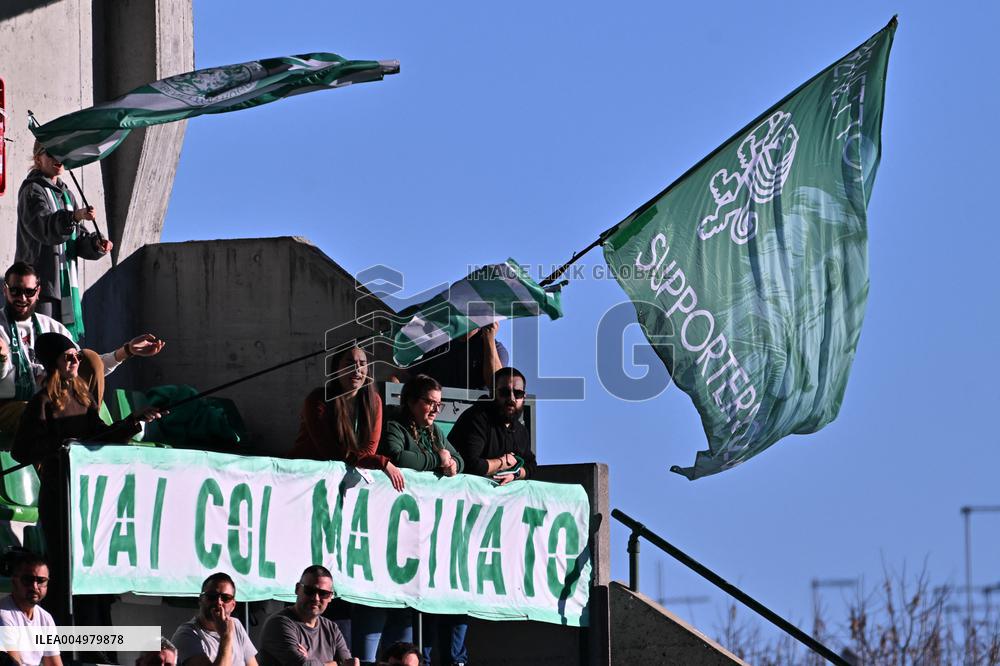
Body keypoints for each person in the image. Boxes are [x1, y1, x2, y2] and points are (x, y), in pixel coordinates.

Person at [12, 332, 163, 626]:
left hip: (87, 497)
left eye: (77, 357)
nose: (75, 361)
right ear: (53, 361)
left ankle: (96, 639)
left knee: (91, 568)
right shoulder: (41, 402)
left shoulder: (84, 396)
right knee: (64, 567)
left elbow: (101, 435)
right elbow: (21, 450)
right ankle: (63, 639)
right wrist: (61, 447)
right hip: (59, 496)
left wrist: (136, 420)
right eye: (69, 357)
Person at [0, 261, 166, 433]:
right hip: (11, 406)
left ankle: (90, 427)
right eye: (15, 291)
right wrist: (2, 359)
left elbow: (84, 366)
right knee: (42, 411)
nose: (22, 298)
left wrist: (127, 351)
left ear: (38, 291)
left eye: (29, 291)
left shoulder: (52, 326)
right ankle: (88, 431)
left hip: (53, 403)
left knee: (89, 357)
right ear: (5, 290)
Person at [378, 375, 465, 666]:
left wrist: (452, 463)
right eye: (430, 403)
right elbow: (397, 456)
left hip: (428, 532)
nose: (434, 410)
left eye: (439, 405)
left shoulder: (435, 432)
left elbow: (459, 460)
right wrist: (437, 462)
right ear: (411, 401)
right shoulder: (394, 425)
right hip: (398, 529)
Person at [16, 141, 112, 336]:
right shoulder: (32, 190)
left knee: (64, 350)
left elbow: (77, 239)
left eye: (62, 153)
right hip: (40, 286)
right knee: (43, 346)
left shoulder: (67, 195)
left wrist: (96, 244)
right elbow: (45, 227)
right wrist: (75, 216)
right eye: (51, 154)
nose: (58, 159)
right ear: (38, 159)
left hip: (65, 285)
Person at [289, 345, 404, 491]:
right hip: (305, 483)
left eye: (362, 364)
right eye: (350, 363)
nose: (357, 370)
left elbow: (369, 451)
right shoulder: (318, 399)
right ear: (337, 368)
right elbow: (331, 452)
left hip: (340, 485)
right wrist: (381, 462)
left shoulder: (374, 401)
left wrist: (375, 460)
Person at [449, 367, 537, 485]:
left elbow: (532, 467)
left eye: (518, 393)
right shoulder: (477, 417)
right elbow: (469, 465)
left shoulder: (521, 431)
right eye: (505, 392)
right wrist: (502, 463)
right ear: (492, 393)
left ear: (524, 397)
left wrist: (515, 473)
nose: (511, 398)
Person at [258, 565, 358, 666]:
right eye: (310, 591)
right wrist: (333, 664)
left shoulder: (331, 628)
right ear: (297, 589)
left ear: (330, 597)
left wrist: (311, 660)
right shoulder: (279, 624)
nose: (316, 598)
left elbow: (348, 663)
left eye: (323, 593)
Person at [171, 573, 258, 666]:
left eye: (226, 598)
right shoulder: (186, 634)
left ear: (233, 605)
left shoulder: (236, 624)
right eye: (212, 596)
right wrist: (226, 636)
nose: (218, 602)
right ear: (200, 600)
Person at [403, 322, 508, 391]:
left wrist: (489, 338)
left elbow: (495, 385)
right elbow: (406, 376)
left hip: (475, 415)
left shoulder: (496, 349)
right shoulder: (439, 345)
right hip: (437, 413)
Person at [0, 553, 62, 666]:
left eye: (41, 580)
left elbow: (54, 663)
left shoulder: (46, 618)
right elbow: (14, 663)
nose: (34, 586)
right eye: (28, 580)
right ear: (14, 581)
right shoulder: (3, 615)